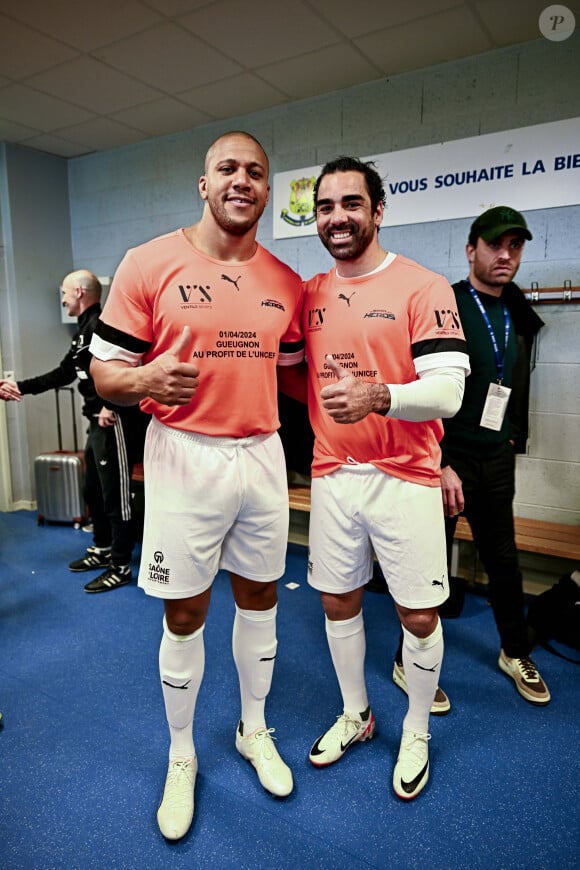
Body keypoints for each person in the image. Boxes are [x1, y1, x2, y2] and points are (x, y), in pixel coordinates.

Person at [88, 131, 304, 841]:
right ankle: (181, 755)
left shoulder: (286, 282)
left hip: (261, 454)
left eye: (256, 172)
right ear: (203, 185)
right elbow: (105, 371)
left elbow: (299, 373)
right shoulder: (147, 262)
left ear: (267, 191)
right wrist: (146, 379)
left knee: (261, 598)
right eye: (228, 169)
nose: (242, 180)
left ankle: (253, 728)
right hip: (184, 456)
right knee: (184, 612)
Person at [279, 156, 470, 801]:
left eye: (351, 204)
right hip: (334, 476)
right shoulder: (309, 292)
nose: (337, 218)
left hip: (407, 475)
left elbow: (447, 394)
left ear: (378, 210)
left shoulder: (423, 286)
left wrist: (379, 398)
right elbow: (290, 371)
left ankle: (416, 726)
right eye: (325, 207)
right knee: (337, 600)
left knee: (418, 614)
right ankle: (357, 715)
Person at [392, 206, 549, 706]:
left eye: (515, 246)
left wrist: (510, 439)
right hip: (445, 461)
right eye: (494, 245)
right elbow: (420, 387)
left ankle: (513, 650)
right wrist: (437, 463)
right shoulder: (449, 304)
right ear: (471, 250)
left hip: (495, 458)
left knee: (504, 562)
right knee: (427, 567)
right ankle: (407, 661)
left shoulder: (516, 310)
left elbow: (514, 383)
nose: (505, 256)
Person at [0, 270, 148, 593]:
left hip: (115, 421)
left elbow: (133, 367)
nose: (63, 299)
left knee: (116, 496)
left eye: (65, 293)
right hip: (95, 422)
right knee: (92, 490)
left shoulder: (104, 325)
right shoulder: (82, 333)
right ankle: (103, 547)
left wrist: (113, 403)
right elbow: (65, 372)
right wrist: (20, 387)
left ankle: (120, 565)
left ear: (80, 292)